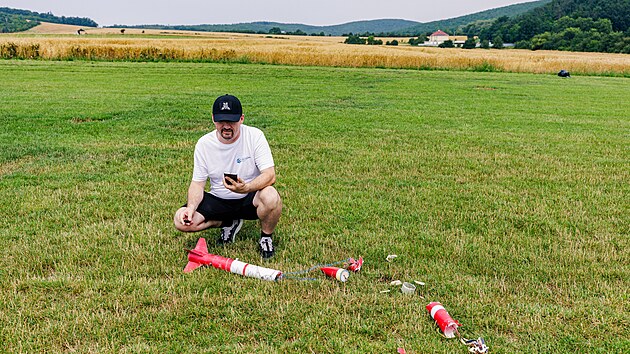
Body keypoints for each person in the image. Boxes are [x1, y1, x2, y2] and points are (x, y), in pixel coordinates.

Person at [174, 94, 282, 259]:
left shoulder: (255, 136)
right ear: (213, 119)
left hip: (249, 198)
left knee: (271, 196)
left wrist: (247, 187)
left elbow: (269, 175)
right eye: (221, 121)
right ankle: (228, 222)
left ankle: (266, 237)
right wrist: (191, 208)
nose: (226, 126)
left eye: (231, 121)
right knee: (180, 220)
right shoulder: (204, 144)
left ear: (241, 119)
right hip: (219, 199)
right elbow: (197, 184)